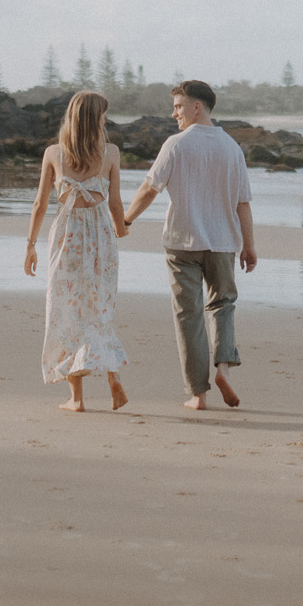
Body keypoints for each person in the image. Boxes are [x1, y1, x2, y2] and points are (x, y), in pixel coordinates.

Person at [125, 80, 255, 411]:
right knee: (223, 305)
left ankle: (198, 394)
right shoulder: (232, 148)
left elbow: (149, 189)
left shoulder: (176, 144)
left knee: (189, 315)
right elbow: (243, 203)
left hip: (181, 244)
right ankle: (223, 367)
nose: (174, 114)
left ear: (197, 107)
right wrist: (249, 246)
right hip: (224, 243)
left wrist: (125, 220)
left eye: (179, 107)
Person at [24, 90, 130, 412]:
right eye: (102, 116)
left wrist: (30, 245)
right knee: (99, 309)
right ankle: (112, 378)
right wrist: (122, 228)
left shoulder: (54, 154)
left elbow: (41, 203)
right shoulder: (110, 153)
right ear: (93, 119)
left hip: (66, 236)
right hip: (100, 237)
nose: (104, 121)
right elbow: (114, 203)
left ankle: (77, 398)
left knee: (66, 312)